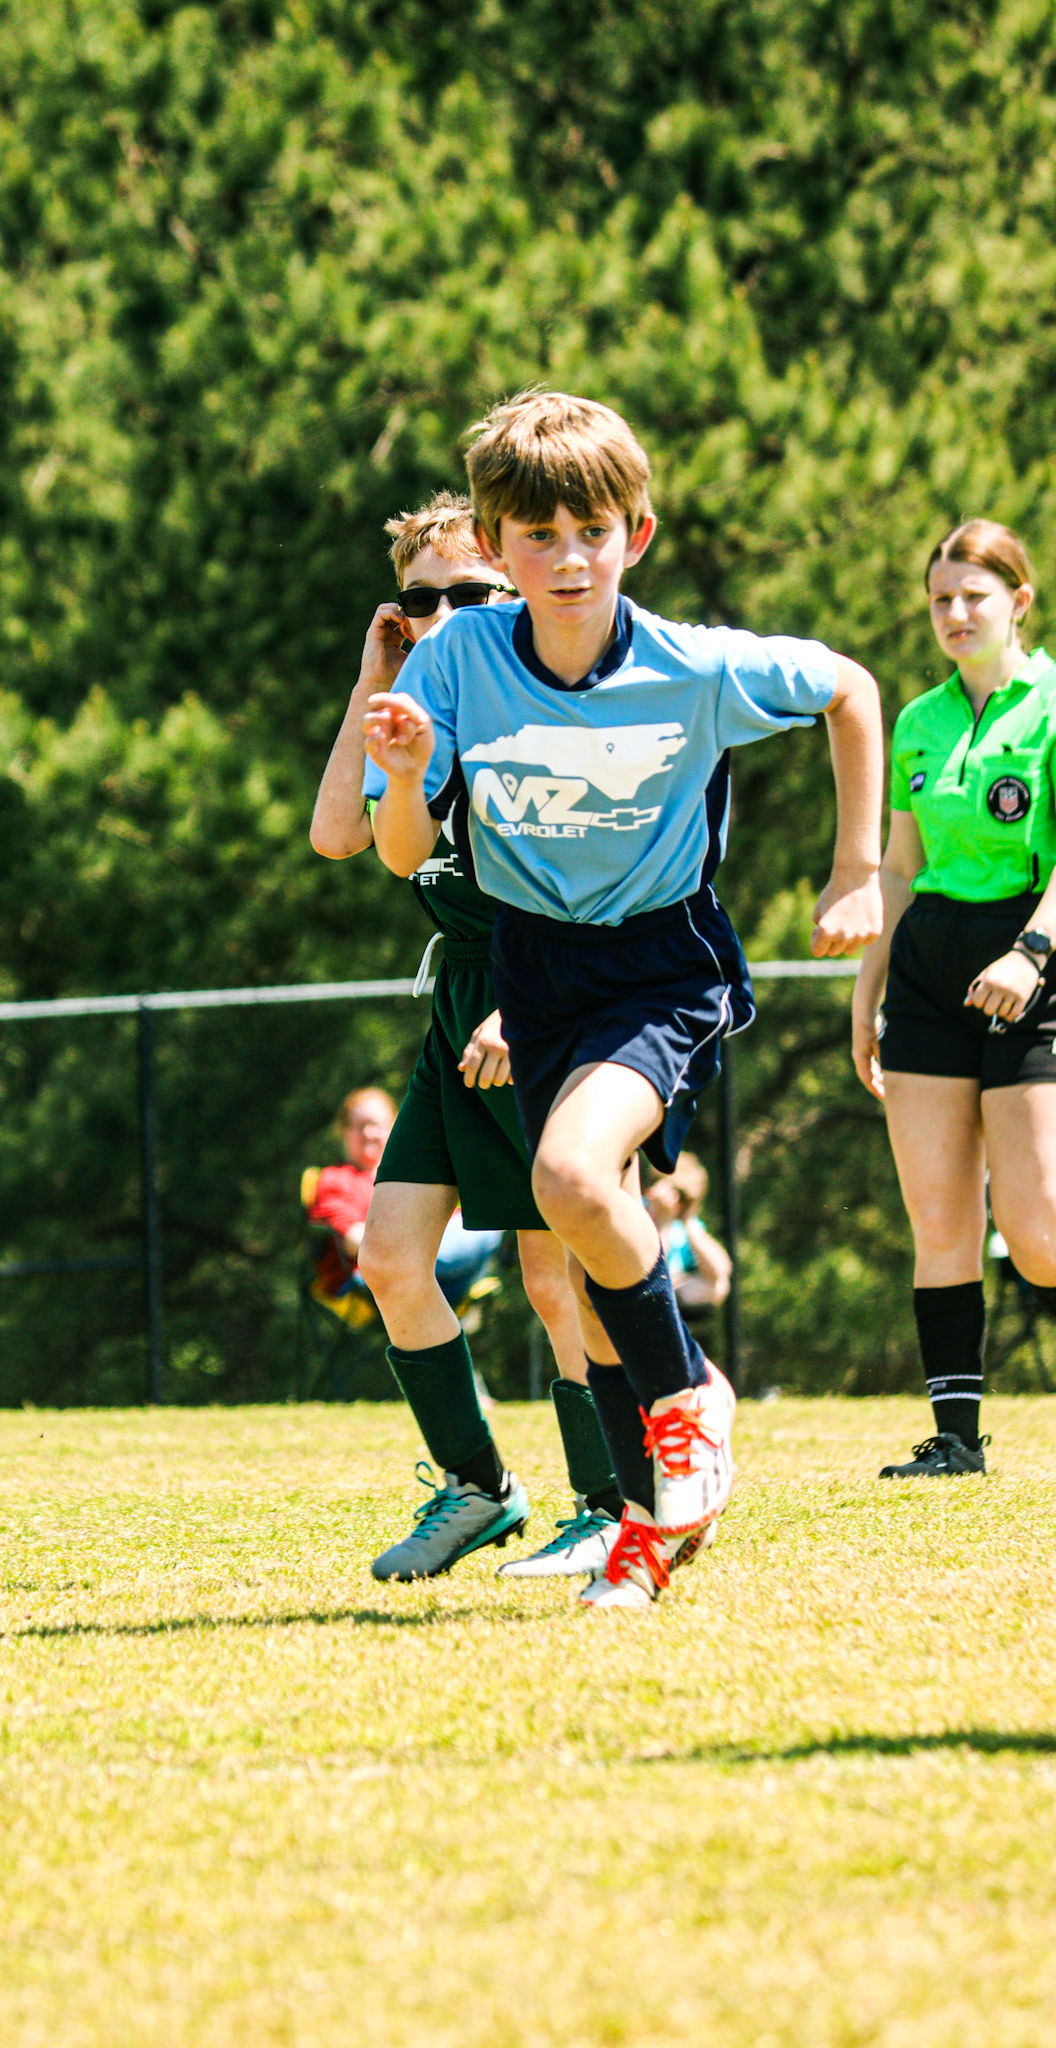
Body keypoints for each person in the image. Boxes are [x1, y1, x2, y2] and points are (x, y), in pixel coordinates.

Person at [365, 389, 883, 1612]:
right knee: (595, 1275)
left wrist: (858, 866)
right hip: (537, 968)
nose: (567, 558)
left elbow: (851, 689)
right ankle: (649, 1527)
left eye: (591, 531)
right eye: (536, 536)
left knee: (572, 1180)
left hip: (661, 966)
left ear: (634, 535)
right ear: (497, 548)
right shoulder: (456, 660)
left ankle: (690, 1397)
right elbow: (400, 852)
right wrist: (407, 774)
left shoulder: (693, 664)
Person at [311, 491, 628, 1583]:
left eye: (467, 591)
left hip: (552, 996)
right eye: (418, 599)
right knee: (390, 1257)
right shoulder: (408, 708)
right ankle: (481, 1488)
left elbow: (598, 881)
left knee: (558, 1275)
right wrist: (372, 676)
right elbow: (336, 833)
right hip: (459, 1004)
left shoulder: (538, 700)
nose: (440, 613)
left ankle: (615, 1504)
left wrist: (521, 1008)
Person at [851, 519, 1056, 1478]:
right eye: (940, 598)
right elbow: (898, 868)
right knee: (938, 1222)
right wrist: (868, 991)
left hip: (1031, 966)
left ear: (1019, 601)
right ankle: (955, 1442)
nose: (954, 612)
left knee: (1039, 1233)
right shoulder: (917, 721)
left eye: (974, 595)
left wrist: (1030, 953)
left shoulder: (1049, 703)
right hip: (927, 975)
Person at [305, 1084, 503, 1316]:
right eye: (360, 1126)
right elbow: (354, 1240)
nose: (369, 1133)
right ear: (345, 1131)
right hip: (374, 1277)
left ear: (392, 1128)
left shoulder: (409, 1175)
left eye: (376, 1125)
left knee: (484, 1223)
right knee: (484, 1229)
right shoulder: (335, 1179)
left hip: (433, 1272)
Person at [644, 1154, 731, 1317]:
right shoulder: (640, 1211)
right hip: (640, 1290)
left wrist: (687, 1219)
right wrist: (663, 1221)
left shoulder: (685, 1222)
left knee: (719, 1285)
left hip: (674, 1291)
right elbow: (650, 1271)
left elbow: (721, 1270)